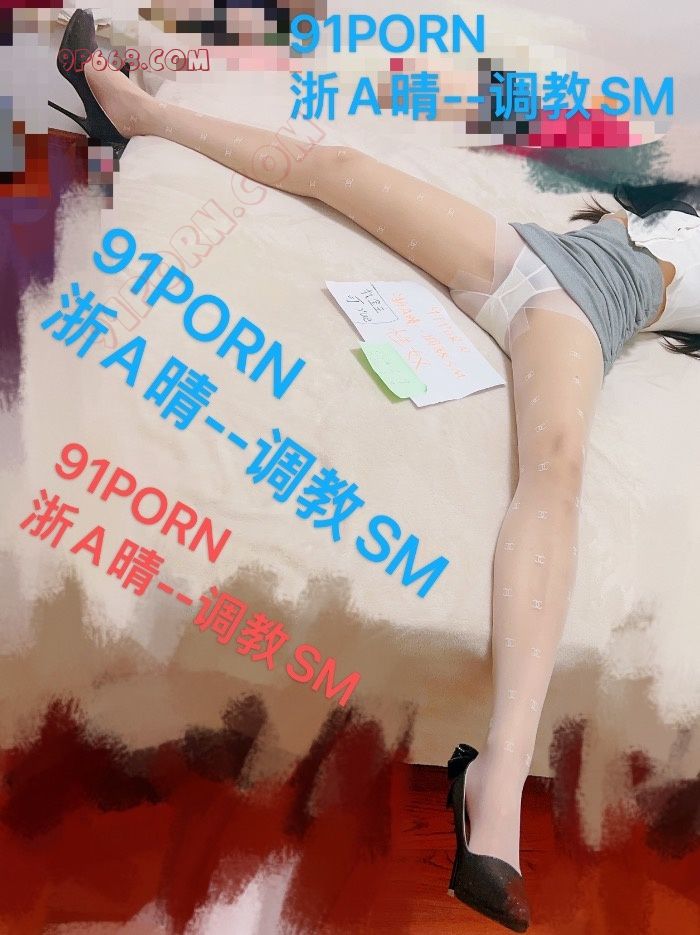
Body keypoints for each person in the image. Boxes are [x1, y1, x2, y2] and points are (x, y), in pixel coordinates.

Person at [50, 11, 700, 932]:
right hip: (525, 249)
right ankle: (136, 113)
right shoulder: (671, 188)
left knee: (555, 470)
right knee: (337, 167)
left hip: (584, 314)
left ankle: (496, 790)